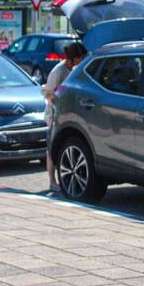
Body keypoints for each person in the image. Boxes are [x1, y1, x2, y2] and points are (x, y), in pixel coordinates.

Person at [43, 41, 88, 194]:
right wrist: (57, 97)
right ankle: (52, 181)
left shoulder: (77, 69)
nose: (82, 61)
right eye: (80, 58)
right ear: (73, 59)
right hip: (55, 114)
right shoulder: (59, 70)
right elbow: (46, 91)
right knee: (51, 148)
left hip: (70, 113)